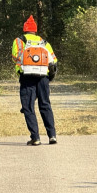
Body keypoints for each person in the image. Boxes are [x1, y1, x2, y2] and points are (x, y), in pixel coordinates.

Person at [12, 15, 58, 146]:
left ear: (24, 29)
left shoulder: (19, 41)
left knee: (28, 107)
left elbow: (15, 57)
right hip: (43, 77)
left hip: (27, 77)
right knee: (45, 104)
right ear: (35, 30)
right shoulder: (44, 42)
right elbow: (54, 61)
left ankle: (35, 137)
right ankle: (52, 136)